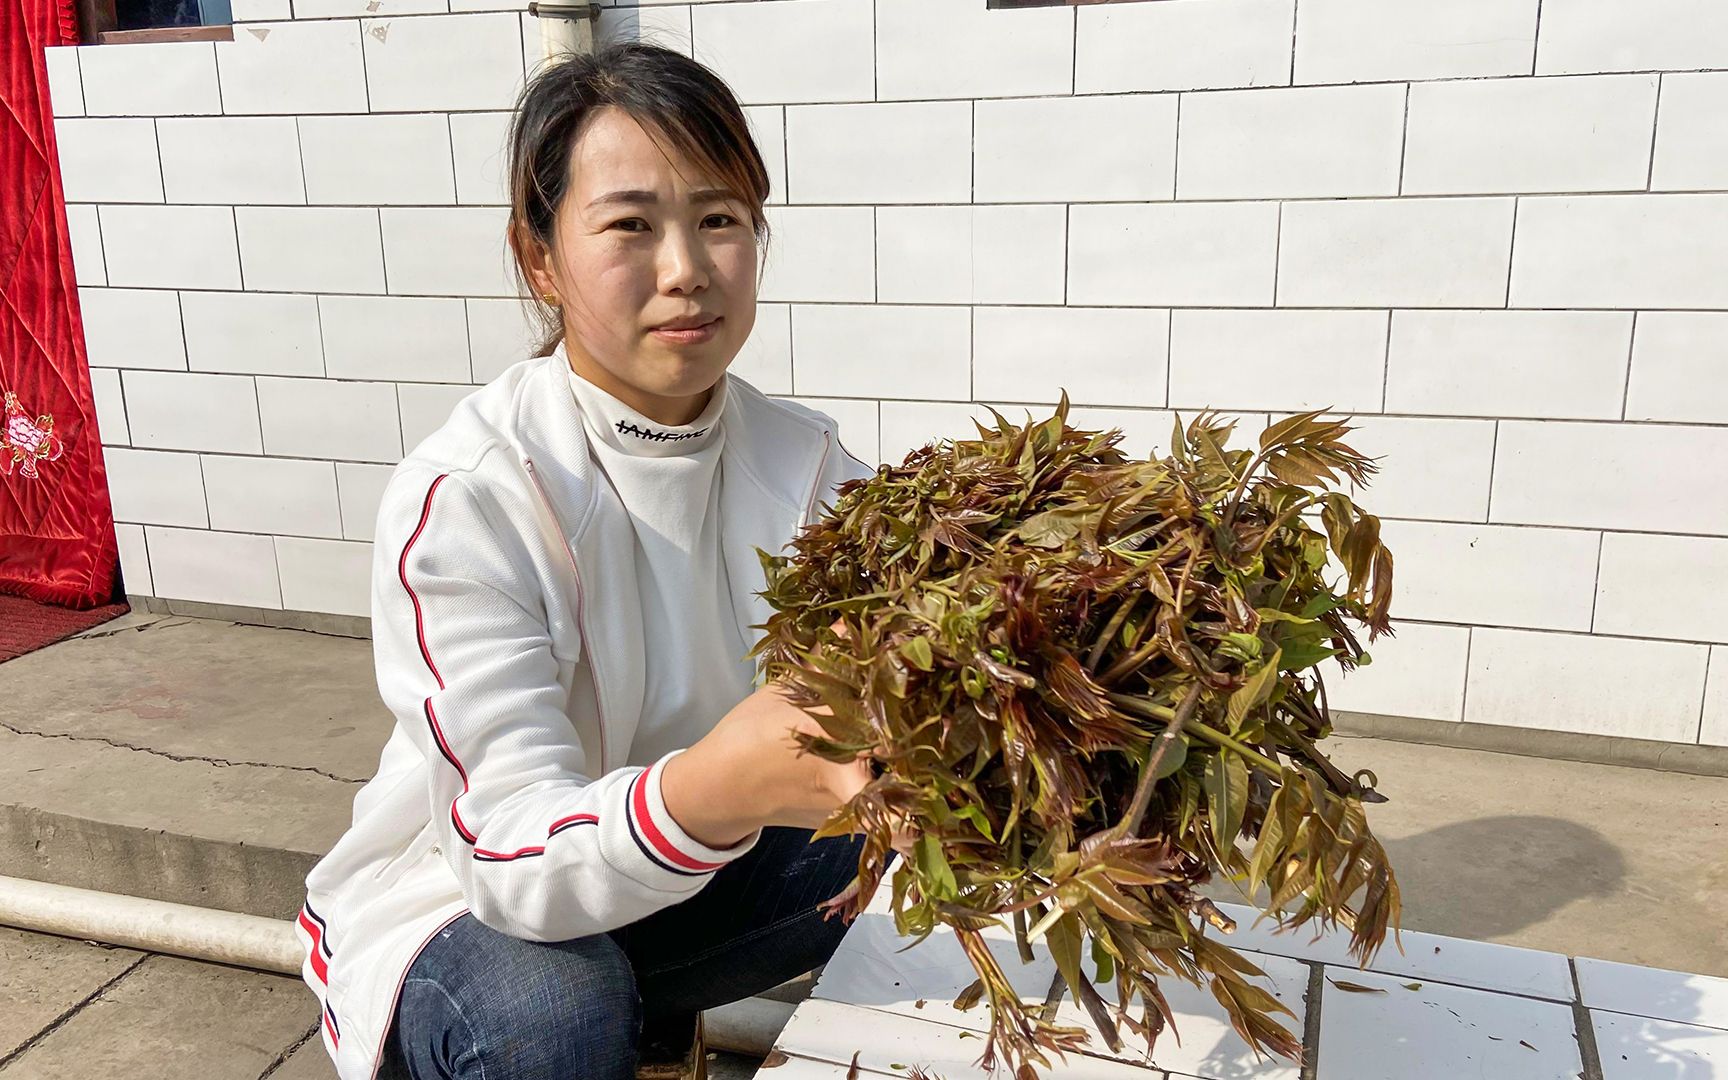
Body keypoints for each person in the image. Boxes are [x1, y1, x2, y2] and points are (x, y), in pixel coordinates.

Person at [294, 41, 899, 1080]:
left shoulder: (814, 470)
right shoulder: (475, 495)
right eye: (630, 225)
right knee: (555, 1011)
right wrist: (709, 790)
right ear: (541, 259)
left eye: (720, 220)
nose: (687, 270)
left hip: (681, 874)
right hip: (460, 904)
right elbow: (502, 852)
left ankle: (643, 1018)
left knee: (935, 824)